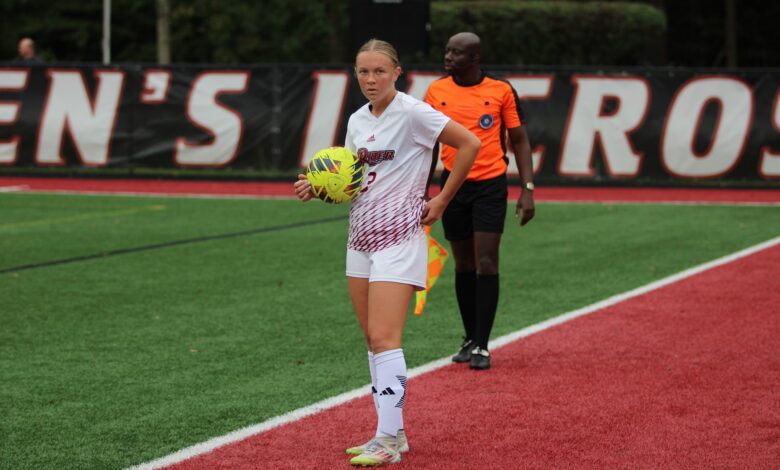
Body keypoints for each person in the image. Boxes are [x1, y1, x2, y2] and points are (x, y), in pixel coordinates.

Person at [294, 39, 479, 466]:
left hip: (400, 236)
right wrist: (318, 186)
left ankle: (388, 440)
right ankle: (391, 433)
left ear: (397, 72)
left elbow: (469, 144)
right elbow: (353, 180)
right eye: (363, 72)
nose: (371, 79)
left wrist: (443, 199)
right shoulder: (357, 120)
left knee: (385, 337)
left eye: (380, 71)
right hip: (359, 238)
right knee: (371, 341)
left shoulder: (413, 112)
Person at [423, 32, 536, 371]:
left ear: (474, 58)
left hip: (490, 185)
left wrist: (527, 188)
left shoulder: (500, 90)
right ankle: (470, 336)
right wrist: (423, 189)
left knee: (486, 261)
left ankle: (483, 346)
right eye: (447, 51)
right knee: (463, 265)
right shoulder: (436, 91)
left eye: (456, 53)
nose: (448, 57)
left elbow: (520, 140)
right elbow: (428, 143)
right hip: (452, 187)